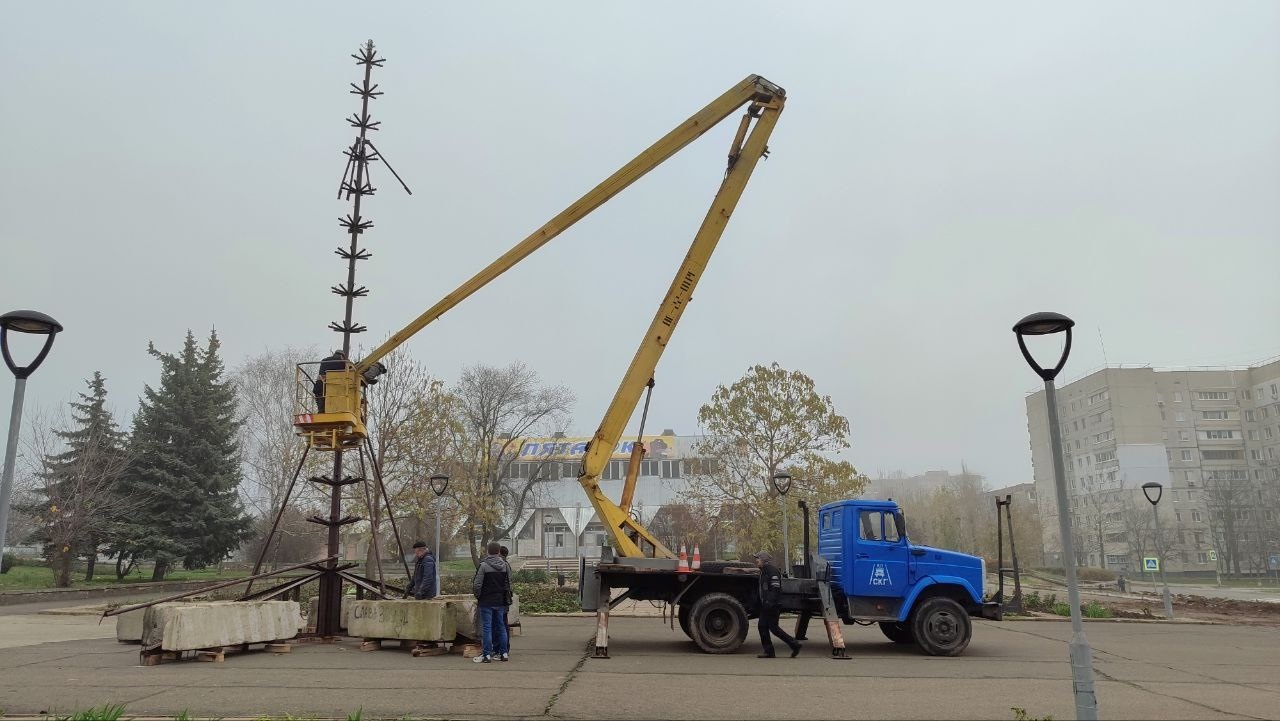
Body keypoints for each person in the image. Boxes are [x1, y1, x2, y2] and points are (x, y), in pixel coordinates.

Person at [752, 550, 801, 658]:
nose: (756, 561)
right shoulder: (763, 571)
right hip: (767, 605)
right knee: (768, 627)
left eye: (758, 558)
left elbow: (775, 589)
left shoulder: (772, 571)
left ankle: (776, 649)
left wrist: (769, 603)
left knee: (769, 627)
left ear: (763, 560)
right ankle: (791, 645)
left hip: (772, 605)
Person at [472, 542, 511, 663]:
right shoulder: (505, 565)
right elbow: (508, 583)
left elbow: (477, 584)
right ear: (499, 552)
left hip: (486, 601)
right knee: (501, 627)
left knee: (487, 628)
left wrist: (479, 596)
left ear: (487, 551)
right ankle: (504, 653)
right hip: (500, 601)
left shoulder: (483, 566)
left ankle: (487, 655)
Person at [499, 545, 514, 640]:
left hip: (503, 597)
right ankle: (505, 644)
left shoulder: (503, 565)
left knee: (502, 622)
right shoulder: (506, 564)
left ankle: (504, 644)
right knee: (504, 621)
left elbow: (508, 582)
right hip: (506, 596)